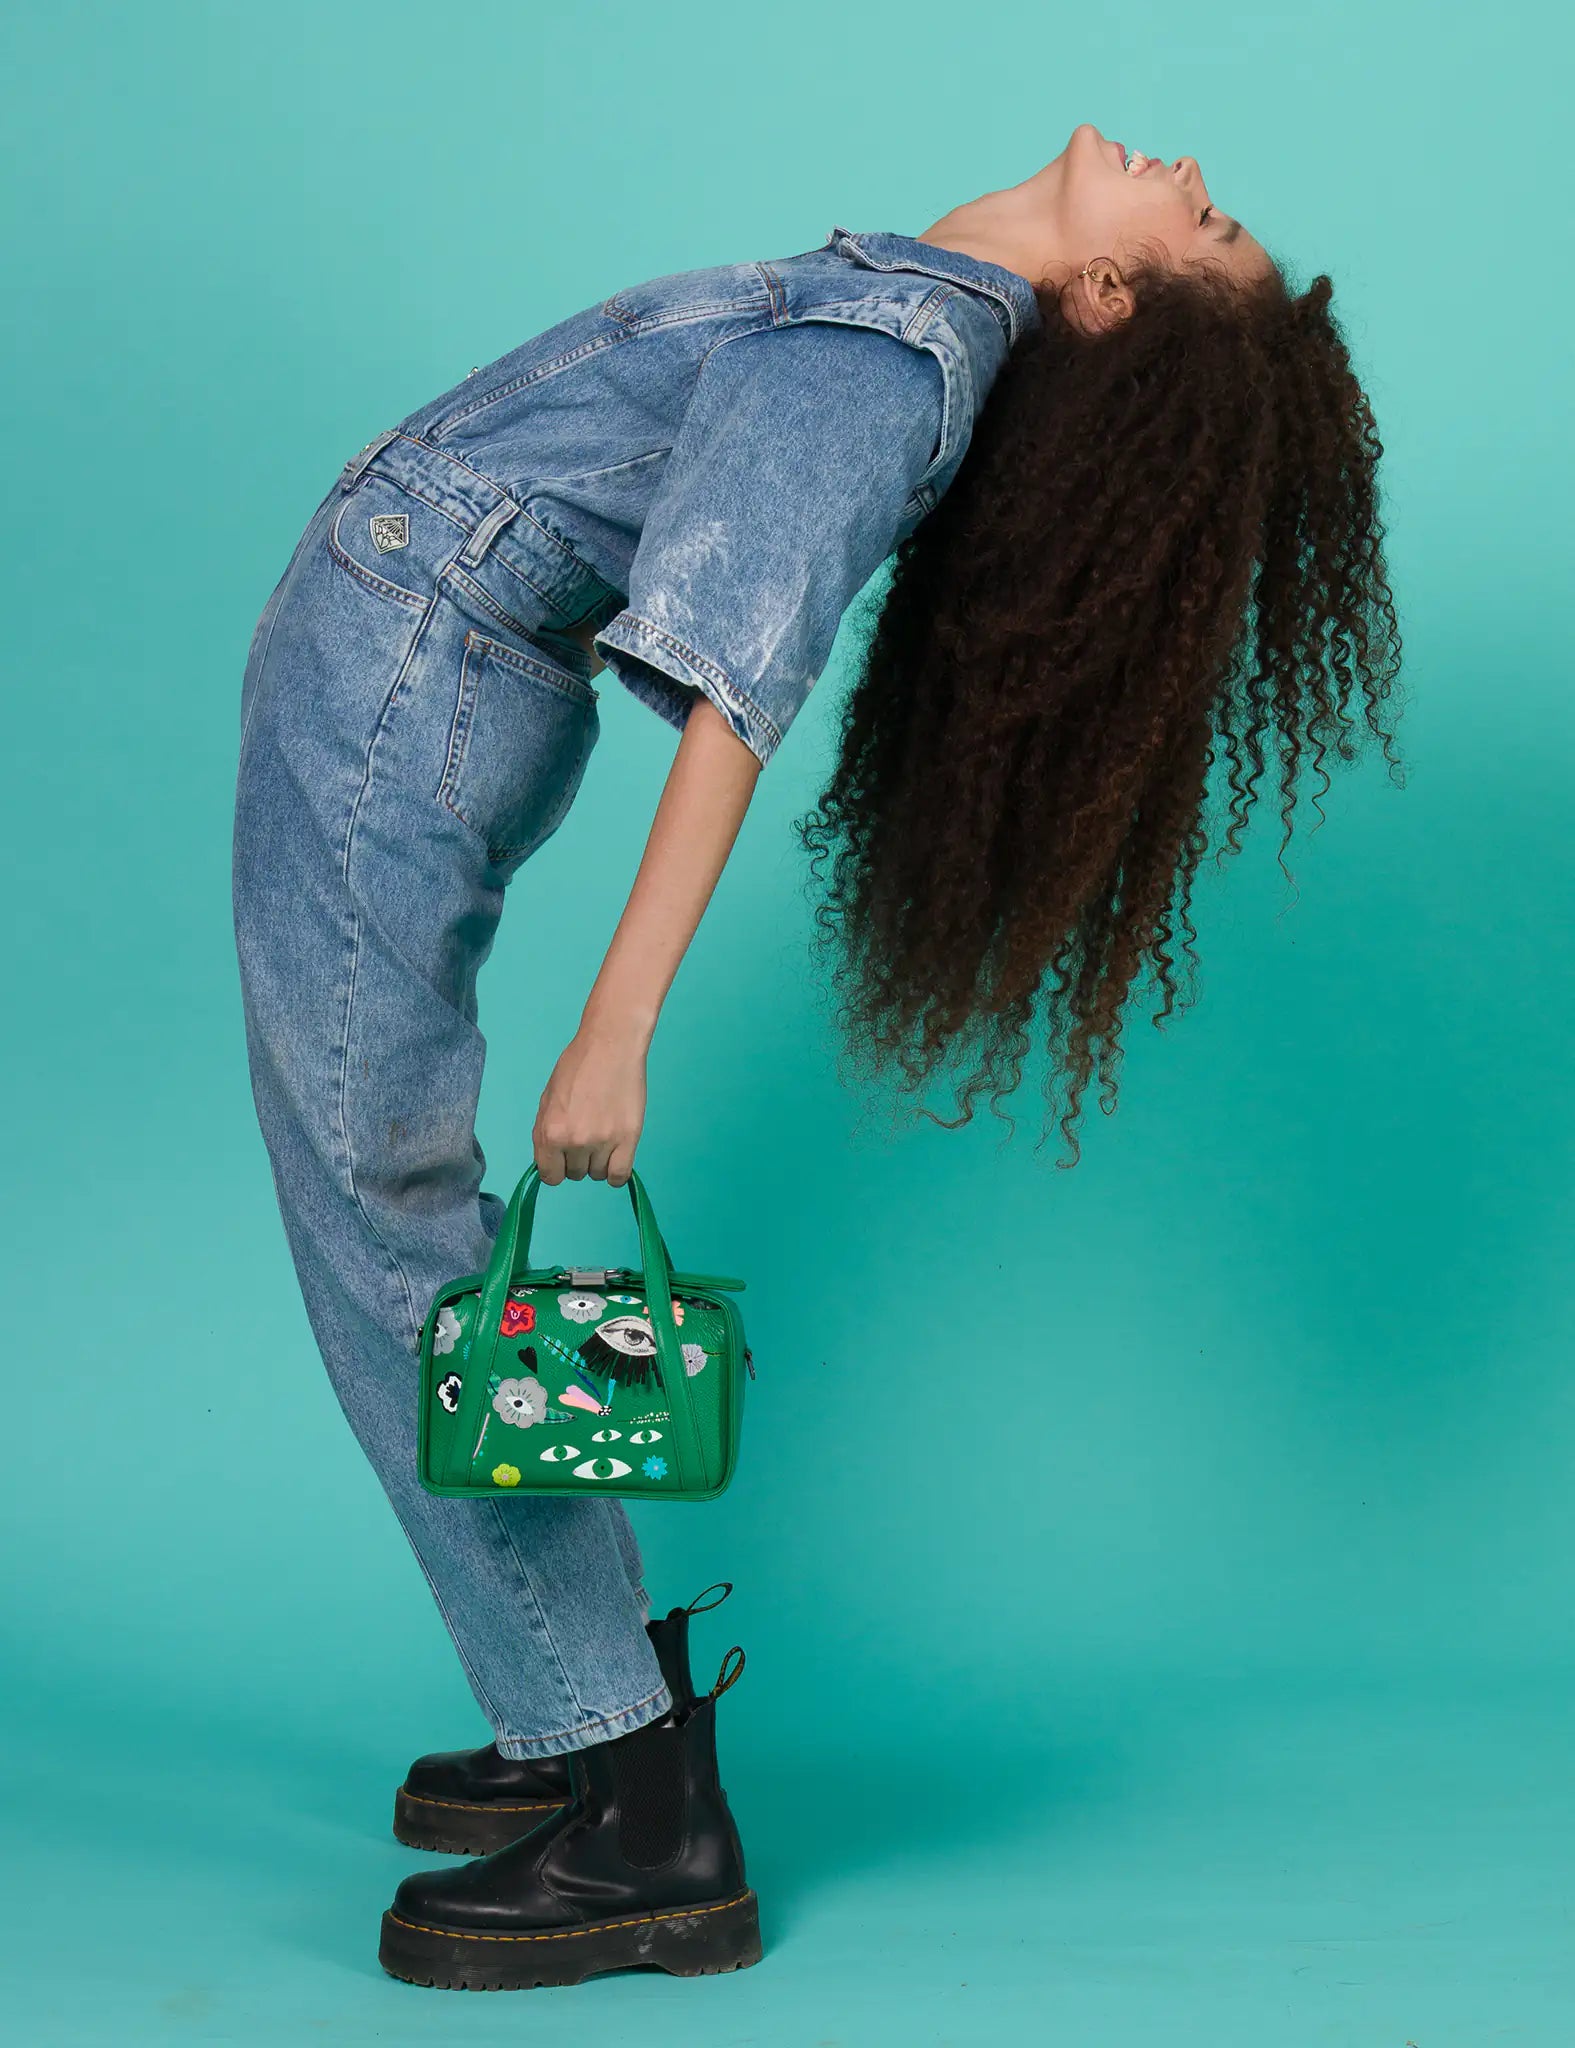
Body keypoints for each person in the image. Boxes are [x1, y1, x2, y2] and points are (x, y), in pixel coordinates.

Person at [231, 121, 1402, 1992]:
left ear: (1107, 298)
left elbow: (729, 684)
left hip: (395, 696)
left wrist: (617, 1029)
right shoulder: (910, 309)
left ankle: (635, 1807)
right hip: (409, 675)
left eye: (1212, 219)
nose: (1191, 171)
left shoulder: (891, 363)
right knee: (388, 1198)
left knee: (382, 1212)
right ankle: (576, 1704)